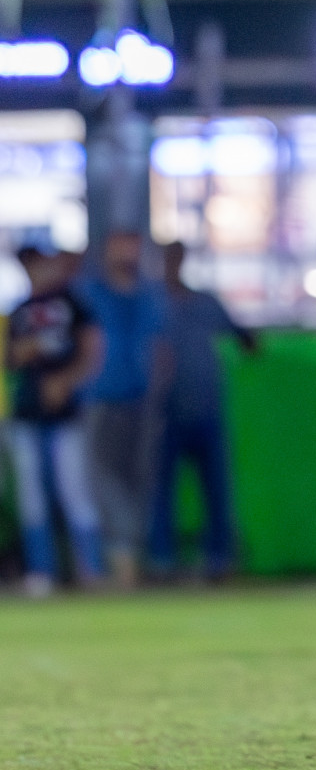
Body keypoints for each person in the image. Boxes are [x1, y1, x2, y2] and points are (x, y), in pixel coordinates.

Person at [146, 241, 256, 582]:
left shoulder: (205, 302)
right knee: (162, 493)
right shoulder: (150, 304)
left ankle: (219, 561)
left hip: (207, 409)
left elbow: (245, 340)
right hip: (164, 413)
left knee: (216, 489)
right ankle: (163, 562)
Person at [6, 247, 106, 596]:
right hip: (27, 414)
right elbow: (9, 359)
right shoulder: (19, 311)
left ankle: (90, 569)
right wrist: (26, 350)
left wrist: (66, 381)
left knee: (75, 491)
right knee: (32, 496)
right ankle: (41, 572)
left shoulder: (73, 303)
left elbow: (93, 349)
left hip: (66, 415)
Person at [80, 230, 168, 588]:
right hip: (102, 397)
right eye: (119, 250)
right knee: (102, 480)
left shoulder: (150, 295)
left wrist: (160, 394)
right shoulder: (89, 293)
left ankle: (134, 558)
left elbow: (162, 347)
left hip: (142, 400)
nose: (126, 256)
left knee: (141, 480)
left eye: (131, 250)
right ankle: (121, 556)